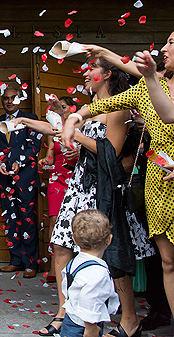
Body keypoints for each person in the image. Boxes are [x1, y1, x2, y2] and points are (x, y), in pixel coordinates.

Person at [60, 41, 174, 332]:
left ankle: (134, 316)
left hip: (113, 185)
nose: (163, 47)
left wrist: (76, 132)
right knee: (168, 262)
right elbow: (98, 107)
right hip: (157, 186)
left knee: (124, 252)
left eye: (171, 42)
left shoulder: (150, 85)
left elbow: (167, 117)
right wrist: (73, 118)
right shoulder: (144, 89)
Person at [39, 57, 153, 337]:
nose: (86, 74)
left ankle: (129, 319)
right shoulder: (87, 110)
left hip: (104, 188)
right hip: (80, 184)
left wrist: (76, 135)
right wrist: (68, 130)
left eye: (92, 69)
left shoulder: (119, 108)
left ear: (109, 74)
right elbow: (75, 137)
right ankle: (64, 313)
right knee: (62, 247)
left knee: (112, 253)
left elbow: (111, 152)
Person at [0, 86, 41, 278]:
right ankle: (15, 261)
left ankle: (31, 263)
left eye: (13, 98)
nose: (9, 101)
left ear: (20, 99)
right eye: (6, 98)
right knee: (10, 221)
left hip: (26, 179)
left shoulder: (31, 119)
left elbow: (35, 146)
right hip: (4, 179)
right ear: (2, 100)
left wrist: (20, 162)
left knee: (28, 221)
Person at [36, 97, 79, 282]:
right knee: (54, 220)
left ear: (71, 109)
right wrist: (46, 161)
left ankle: (74, 265)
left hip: (75, 177)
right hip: (57, 178)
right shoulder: (53, 131)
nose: (61, 111)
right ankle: (54, 268)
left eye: (64, 107)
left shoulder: (78, 128)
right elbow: (51, 155)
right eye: (58, 108)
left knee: (75, 221)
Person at [60, 210, 119, 337]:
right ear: (109, 240)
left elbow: (66, 287)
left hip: (71, 319)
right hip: (84, 326)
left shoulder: (74, 262)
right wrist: (91, 327)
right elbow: (89, 300)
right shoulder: (98, 272)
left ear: (74, 240)